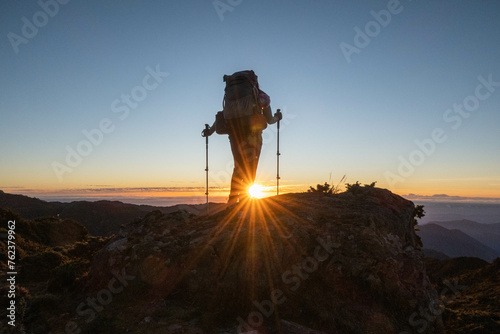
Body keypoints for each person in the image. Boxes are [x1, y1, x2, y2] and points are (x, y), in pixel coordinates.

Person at [203, 71, 282, 205]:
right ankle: (245, 202)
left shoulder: (230, 98)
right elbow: (269, 120)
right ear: (253, 81)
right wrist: (278, 117)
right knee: (251, 166)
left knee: (238, 166)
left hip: (234, 134)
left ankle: (232, 201)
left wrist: (209, 131)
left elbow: (223, 116)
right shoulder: (259, 95)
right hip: (253, 135)